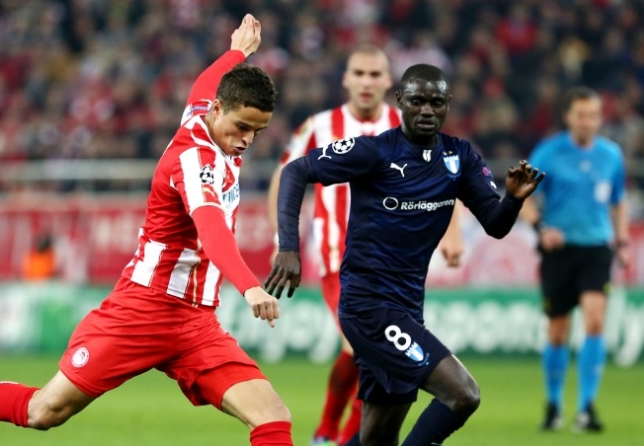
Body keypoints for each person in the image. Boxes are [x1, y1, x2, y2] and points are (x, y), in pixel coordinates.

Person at [0, 15, 294, 446]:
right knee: (45, 411)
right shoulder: (195, 160)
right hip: (144, 309)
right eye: (242, 127)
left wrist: (236, 53)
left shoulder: (205, 115)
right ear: (217, 110)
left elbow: (204, 84)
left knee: (272, 416)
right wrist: (250, 287)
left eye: (258, 131)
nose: (247, 140)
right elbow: (212, 230)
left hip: (197, 322)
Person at [265, 64, 544, 446]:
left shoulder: (460, 157)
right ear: (400, 101)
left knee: (377, 438)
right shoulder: (374, 151)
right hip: (368, 308)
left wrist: (512, 200)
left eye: (436, 102)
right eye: (417, 101)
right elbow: (296, 171)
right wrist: (288, 247)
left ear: (448, 104)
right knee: (463, 394)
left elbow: (495, 225)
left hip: (408, 308)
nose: (427, 110)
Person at [266, 45, 464, 446]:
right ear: (346, 79)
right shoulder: (319, 126)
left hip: (393, 266)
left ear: (389, 82)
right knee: (361, 348)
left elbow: (445, 174)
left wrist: (453, 231)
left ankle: (335, 435)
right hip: (337, 259)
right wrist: (281, 239)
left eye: (375, 74)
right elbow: (285, 176)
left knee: (375, 361)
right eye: (359, 73)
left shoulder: (408, 123)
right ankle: (330, 432)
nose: (367, 82)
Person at [519, 87, 629, 433]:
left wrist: (622, 241)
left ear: (599, 118)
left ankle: (586, 407)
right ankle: (554, 405)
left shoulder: (611, 155)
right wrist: (541, 228)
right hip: (558, 250)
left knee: (595, 320)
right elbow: (522, 195)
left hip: (596, 247)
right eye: (581, 114)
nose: (587, 121)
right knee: (558, 330)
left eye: (593, 115)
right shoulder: (548, 152)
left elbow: (618, 200)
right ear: (568, 117)